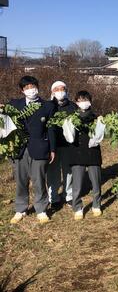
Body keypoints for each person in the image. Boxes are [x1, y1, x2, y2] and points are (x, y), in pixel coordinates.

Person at [9, 76, 56, 224]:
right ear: (22, 90)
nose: (30, 90)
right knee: (21, 180)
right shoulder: (14, 105)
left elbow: (51, 129)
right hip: (19, 149)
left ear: (37, 87)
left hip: (40, 147)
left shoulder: (47, 106)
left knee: (39, 180)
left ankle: (41, 209)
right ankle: (20, 208)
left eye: (32, 86)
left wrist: (52, 149)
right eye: (27, 87)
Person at [69, 91, 103, 220]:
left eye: (86, 99)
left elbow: (100, 135)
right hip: (77, 152)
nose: (83, 102)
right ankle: (77, 207)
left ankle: (96, 205)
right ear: (76, 102)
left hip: (93, 152)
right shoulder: (72, 118)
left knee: (96, 182)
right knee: (77, 184)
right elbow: (69, 136)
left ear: (90, 101)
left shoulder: (96, 117)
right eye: (80, 100)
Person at [47, 80, 76, 211]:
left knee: (68, 171)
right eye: (57, 89)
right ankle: (54, 198)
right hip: (53, 145)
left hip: (68, 145)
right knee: (53, 172)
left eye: (62, 89)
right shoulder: (47, 106)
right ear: (52, 92)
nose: (60, 91)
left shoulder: (73, 106)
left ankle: (68, 195)